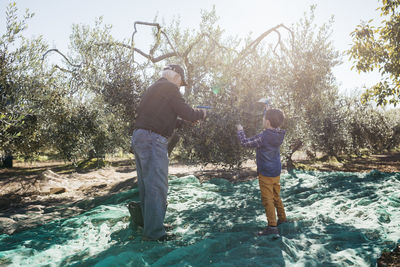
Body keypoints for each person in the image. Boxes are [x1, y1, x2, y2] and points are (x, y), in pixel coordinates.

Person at [131, 64, 206, 241]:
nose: (180, 86)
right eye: (181, 82)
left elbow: (161, 115)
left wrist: (183, 121)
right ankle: (155, 234)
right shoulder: (170, 88)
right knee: (157, 187)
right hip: (152, 140)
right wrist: (201, 114)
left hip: (140, 137)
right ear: (176, 77)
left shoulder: (154, 88)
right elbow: (186, 111)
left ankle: (151, 225)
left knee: (147, 187)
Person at [236, 107, 287, 236]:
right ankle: (282, 219)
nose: (262, 120)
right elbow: (276, 121)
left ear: (268, 122)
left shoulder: (263, 137)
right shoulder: (279, 134)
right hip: (276, 171)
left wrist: (240, 130)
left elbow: (245, 143)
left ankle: (272, 226)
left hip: (266, 172)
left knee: (267, 199)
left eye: (264, 118)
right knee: (276, 195)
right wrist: (269, 111)